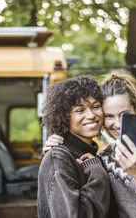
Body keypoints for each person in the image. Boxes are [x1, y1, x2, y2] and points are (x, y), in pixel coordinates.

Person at [44, 71, 136, 218]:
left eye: (124, 115)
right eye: (109, 116)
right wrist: (59, 142)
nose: (117, 124)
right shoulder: (104, 158)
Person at [37, 76, 113, 218]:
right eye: (80, 110)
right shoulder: (59, 158)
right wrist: (97, 173)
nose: (91, 115)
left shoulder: (94, 155)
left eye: (96, 106)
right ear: (65, 117)